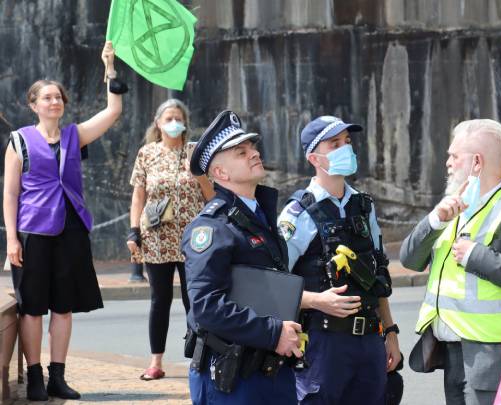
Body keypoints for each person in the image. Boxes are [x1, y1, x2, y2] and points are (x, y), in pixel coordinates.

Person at [2, 41, 122, 401]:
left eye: (58, 98)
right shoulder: (19, 141)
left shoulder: (75, 135)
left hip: (71, 230)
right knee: (32, 308)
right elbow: (9, 194)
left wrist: (110, 67)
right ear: (34, 104)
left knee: (64, 308)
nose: (54, 102)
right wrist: (11, 240)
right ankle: (35, 377)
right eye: (47, 98)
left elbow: (113, 110)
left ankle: (58, 376)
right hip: (33, 231)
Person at [399, 119, 501, 405]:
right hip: (453, 352)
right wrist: (434, 220)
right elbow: (409, 259)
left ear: (477, 162)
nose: (448, 163)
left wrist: (477, 256)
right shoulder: (454, 206)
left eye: (454, 156)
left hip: (493, 356)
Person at [278, 115, 401, 405]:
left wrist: (391, 332)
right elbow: (274, 285)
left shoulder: (364, 206)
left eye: (347, 142)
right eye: (335, 143)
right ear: (314, 158)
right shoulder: (297, 214)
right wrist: (316, 300)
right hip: (323, 345)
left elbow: (377, 275)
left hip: (370, 339)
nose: (346, 148)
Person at [182, 110, 303, 404]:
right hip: (232, 378)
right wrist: (274, 333)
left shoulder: (258, 215)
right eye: (241, 152)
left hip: (270, 369)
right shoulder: (211, 227)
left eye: (252, 148)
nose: (254, 154)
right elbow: (206, 307)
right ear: (221, 174)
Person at [127, 98, 213, 381]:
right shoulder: (146, 154)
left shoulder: (195, 152)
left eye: (178, 118)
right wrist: (133, 232)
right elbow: (139, 195)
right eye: (168, 118)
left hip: (195, 239)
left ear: (185, 122)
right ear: (158, 123)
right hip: (157, 237)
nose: (174, 123)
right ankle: (155, 361)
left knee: (195, 299)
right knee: (159, 300)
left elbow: (210, 193)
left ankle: (200, 357)